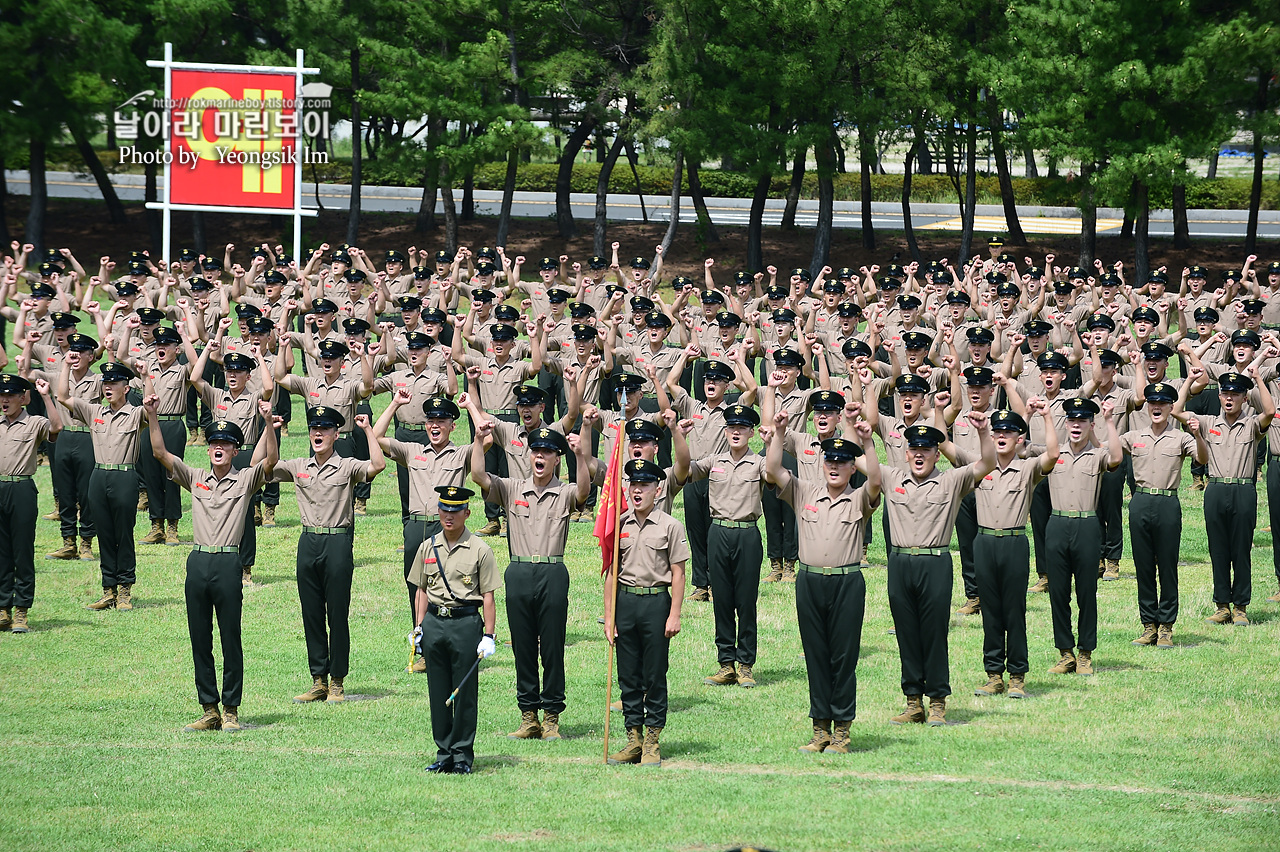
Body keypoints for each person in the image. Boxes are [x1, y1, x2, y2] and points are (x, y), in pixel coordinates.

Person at [143, 398, 278, 732]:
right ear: (208, 449)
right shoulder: (195, 477)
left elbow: (271, 460)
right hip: (198, 562)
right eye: (214, 443)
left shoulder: (245, 480)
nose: (219, 448)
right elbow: (160, 453)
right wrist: (152, 416)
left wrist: (269, 424)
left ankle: (231, 709)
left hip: (228, 562)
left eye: (226, 444)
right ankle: (209, 709)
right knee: (199, 638)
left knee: (230, 638)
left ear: (235, 451)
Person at [765, 420, 880, 754]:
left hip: (847, 582)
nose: (834, 467)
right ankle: (820, 730)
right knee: (816, 655)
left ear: (850, 468)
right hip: (809, 581)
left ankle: (842, 730)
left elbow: (875, 480)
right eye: (829, 461)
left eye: (842, 463)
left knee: (843, 657)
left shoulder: (858, 498)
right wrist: (780, 434)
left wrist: (869, 444)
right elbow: (773, 468)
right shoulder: (804, 492)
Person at [470, 418, 590, 740]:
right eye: (536, 450)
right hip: (519, 571)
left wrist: (580, 456)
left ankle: (551, 716)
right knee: (523, 646)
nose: (540, 456)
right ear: (529, 455)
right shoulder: (511, 488)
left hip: (552, 571)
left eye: (547, 452)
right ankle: (528, 716)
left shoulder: (563, 492)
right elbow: (479, 475)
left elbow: (584, 491)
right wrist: (480, 442)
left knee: (552, 647)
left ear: (555, 458)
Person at [882, 417, 995, 727]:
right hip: (900, 562)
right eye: (914, 449)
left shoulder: (951, 480)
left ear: (936, 453)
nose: (919, 454)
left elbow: (987, 462)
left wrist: (984, 431)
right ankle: (913, 701)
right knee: (906, 633)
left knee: (933, 633)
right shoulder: (892, 477)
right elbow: (860, 461)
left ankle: (937, 702)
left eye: (927, 449)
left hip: (935, 562)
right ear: (906, 453)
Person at [273, 405, 386, 704]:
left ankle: (337, 680)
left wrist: (367, 430)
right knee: (311, 613)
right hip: (308, 542)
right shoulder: (299, 465)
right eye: (313, 429)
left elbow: (378, 465)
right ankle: (318, 680)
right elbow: (265, 466)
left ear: (336, 434)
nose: (317, 434)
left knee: (337, 613)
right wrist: (268, 429)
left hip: (337, 543)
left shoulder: (347, 465)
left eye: (324, 429)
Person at [373, 390, 471, 672]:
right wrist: (395, 404)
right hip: (416, 527)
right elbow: (378, 437)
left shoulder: (460, 452)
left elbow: (486, 440)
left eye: (441, 420)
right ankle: (424, 649)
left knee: (452, 588)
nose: (434, 425)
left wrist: (471, 406)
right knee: (417, 590)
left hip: (447, 528)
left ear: (453, 425)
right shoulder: (412, 450)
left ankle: (453, 646)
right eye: (430, 420)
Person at [603, 459, 689, 768]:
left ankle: (652, 738)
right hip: (626, 603)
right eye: (633, 485)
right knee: (628, 674)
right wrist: (609, 616)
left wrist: (674, 614)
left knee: (653, 674)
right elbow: (611, 574)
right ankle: (633, 738)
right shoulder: (620, 524)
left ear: (658, 488)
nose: (637, 491)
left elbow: (678, 573)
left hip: (655, 604)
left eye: (645, 485)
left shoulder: (669, 526)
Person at [410, 486, 500, 775]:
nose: (449, 516)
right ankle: (444, 752)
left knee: (464, 693)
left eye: (455, 510)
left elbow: (488, 596)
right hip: (435, 623)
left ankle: (462, 754)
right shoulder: (428, 546)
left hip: (464, 624)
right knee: (438, 692)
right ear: (439, 511)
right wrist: (418, 626)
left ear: (467, 513)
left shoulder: (480, 549)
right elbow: (421, 590)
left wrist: (489, 634)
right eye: (444, 509)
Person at [970, 405, 1058, 699]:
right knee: (991, 612)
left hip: (1014, 542)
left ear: (1020, 438)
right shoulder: (980, 468)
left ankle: (1017, 676)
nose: (1002, 436)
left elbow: (1053, 456)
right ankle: (994, 675)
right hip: (984, 542)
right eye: (997, 432)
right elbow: (944, 447)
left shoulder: (1027, 468)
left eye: (1008, 432)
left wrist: (1046, 416)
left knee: (1014, 611)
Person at [1176, 368, 1274, 626]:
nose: (1229, 398)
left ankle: (1240, 606)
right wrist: (1187, 380)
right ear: (1219, 396)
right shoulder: (1208, 422)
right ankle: (1222, 606)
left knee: (1241, 549)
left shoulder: (1252, 424)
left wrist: (1258, 381)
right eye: (1225, 393)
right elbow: (1176, 410)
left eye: (1236, 394)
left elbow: (1270, 411)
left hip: (1243, 489)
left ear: (1244, 398)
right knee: (1218, 550)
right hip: (1216, 489)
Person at [688, 404, 767, 689]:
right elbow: (687, 469)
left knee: (745, 601)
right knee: (721, 600)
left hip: (746, 534)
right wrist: (677, 435)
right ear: (725, 431)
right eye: (731, 427)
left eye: (742, 428)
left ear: (751, 432)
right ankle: (726, 663)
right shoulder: (714, 461)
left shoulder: (758, 463)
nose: (736, 432)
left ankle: (745, 664)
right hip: (718, 534)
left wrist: (775, 438)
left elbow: (775, 473)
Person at [58, 359, 147, 611]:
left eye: (113, 383)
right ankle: (108, 589)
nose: (108, 387)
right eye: (105, 383)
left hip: (124, 476)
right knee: (105, 535)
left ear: (126, 387)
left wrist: (147, 376)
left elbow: (152, 407)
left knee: (123, 534)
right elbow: (63, 396)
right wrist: (65, 365)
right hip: (98, 476)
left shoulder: (135, 413)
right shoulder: (95, 411)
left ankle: (125, 590)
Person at [1122, 382, 1206, 649]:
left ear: (1171, 407)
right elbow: (1108, 450)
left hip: (1168, 503)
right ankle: (1149, 626)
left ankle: (1167, 627)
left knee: (1167, 566)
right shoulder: (1134, 436)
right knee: (1143, 566)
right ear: (1147, 406)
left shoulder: (1181, 437)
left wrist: (1199, 434)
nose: (1156, 407)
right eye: (1152, 403)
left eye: (1162, 403)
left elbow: (1202, 459)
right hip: (1140, 500)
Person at [1043, 398, 1122, 676]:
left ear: (1091, 425)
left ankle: (1086, 654)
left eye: (1083, 421)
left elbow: (1116, 457)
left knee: (1086, 592)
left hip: (1087, 526)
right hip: (1057, 523)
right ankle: (1065, 653)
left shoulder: (1098, 454)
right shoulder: (1054, 454)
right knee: (1058, 592)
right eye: (1072, 421)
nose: (1076, 426)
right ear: (1066, 423)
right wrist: (1044, 418)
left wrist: (1110, 420)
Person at [0, 374, 61, 633]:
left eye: (10, 395)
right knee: (1, 551)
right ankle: (3, 607)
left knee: (22, 550)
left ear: (23, 398)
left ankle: (22, 609)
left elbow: (57, 427)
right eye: (2, 396)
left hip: (22, 488)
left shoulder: (34, 422)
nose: (4, 400)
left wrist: (46, 395)